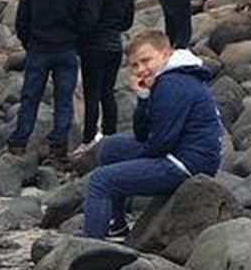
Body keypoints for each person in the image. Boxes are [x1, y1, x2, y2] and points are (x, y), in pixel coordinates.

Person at [81, 30, 222, 241]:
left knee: (101, 181)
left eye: (146, 60)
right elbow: (142, 134)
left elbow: (163, 141)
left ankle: (87, 247)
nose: (141, 69)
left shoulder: (172, 84)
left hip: (187, 163)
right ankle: (115, 227)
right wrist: (144, 96)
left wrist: (133, 164)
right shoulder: (169, 78)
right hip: (182, 152)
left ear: (165, 54)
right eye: (135, 65)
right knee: (109, 148)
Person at [9, 0, 96, 163]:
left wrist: (28, 42)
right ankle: (58, 146)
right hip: (67, 49)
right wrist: (76, 42)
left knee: (30, 97)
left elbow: (22, 18)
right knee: (64, 99)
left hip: (38, 48)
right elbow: (88, 20)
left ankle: (19, 141)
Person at [80, 0, 135, 147]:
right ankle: (111, 137)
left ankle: (88, 139)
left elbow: (89, 21)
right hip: (115, 47)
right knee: (107, 93)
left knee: (91, 94)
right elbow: (127, 22)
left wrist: (82, 38)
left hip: (95, 47)